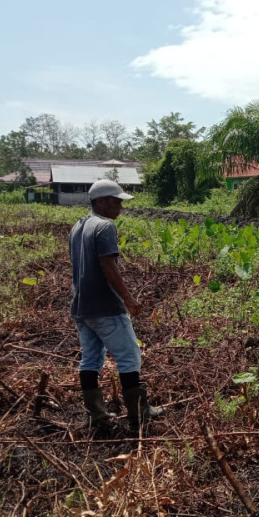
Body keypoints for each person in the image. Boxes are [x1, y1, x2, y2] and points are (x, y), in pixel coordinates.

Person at [69, 179, 163, 432]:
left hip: (81, 306)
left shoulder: (78, 226)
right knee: (129, 356)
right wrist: (128, 298)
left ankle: (97, 416)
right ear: (101, 202)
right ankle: (139, 414)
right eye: (116, 202)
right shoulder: (105, 226)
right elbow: (107, 264)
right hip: (105, 306)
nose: (120, 207)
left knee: (90, 359)